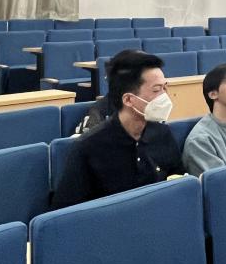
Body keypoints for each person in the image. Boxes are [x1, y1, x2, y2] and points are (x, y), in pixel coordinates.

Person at [51, 50, 184, 209]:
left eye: (165, 87)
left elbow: (179, 182)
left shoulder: (162, 133)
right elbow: (65, 213)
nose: (165, 96)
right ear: (128, 99)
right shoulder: (88, 148)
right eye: (156, 90)